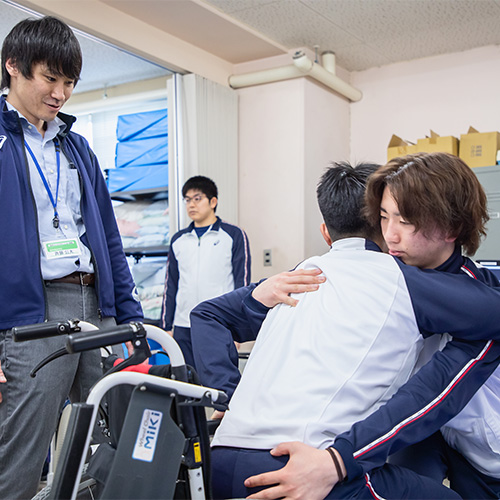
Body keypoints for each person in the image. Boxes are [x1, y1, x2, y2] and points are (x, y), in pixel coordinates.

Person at [190, 158, 500, 499]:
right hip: (399, 435)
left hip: (477, 449)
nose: (390, 234)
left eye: (406, 220)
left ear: (449, 227)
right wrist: (254, 300)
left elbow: (431, 394)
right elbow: (210, 314)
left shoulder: (470, 295)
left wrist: (341, 459)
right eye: (383, 217)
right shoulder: (335, 275)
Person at [0, 16, 143, 500]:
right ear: (13, 67)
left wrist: (130, 319)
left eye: (69, 82)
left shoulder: (77, 146)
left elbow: (106, 238)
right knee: (22, 453)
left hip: (96, 305)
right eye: (50, 78)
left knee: (114, 444)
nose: (60, 93)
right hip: (34, 314)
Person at [160, 175, 251, 367]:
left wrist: (239, 328)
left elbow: (242, 284)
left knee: (219, 385)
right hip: (184, 325)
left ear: (213, 201)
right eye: (187, 199)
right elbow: (171, 284)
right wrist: (167, 327)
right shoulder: (179, 240)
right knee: (186, 383)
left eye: (197, 198)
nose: (191, 204)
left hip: (218, 323)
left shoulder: (233, 235)